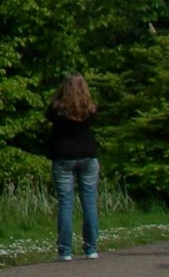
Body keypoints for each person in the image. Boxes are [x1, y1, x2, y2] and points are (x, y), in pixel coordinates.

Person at [48, 72, 100, 261]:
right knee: (89, 201)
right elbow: (94, 120)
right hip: (87, 155)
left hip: (63, 156)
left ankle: (65, 250)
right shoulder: (89, 108)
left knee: (66, 203)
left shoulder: (57, 109)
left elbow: (49, 116)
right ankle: (91, 247)